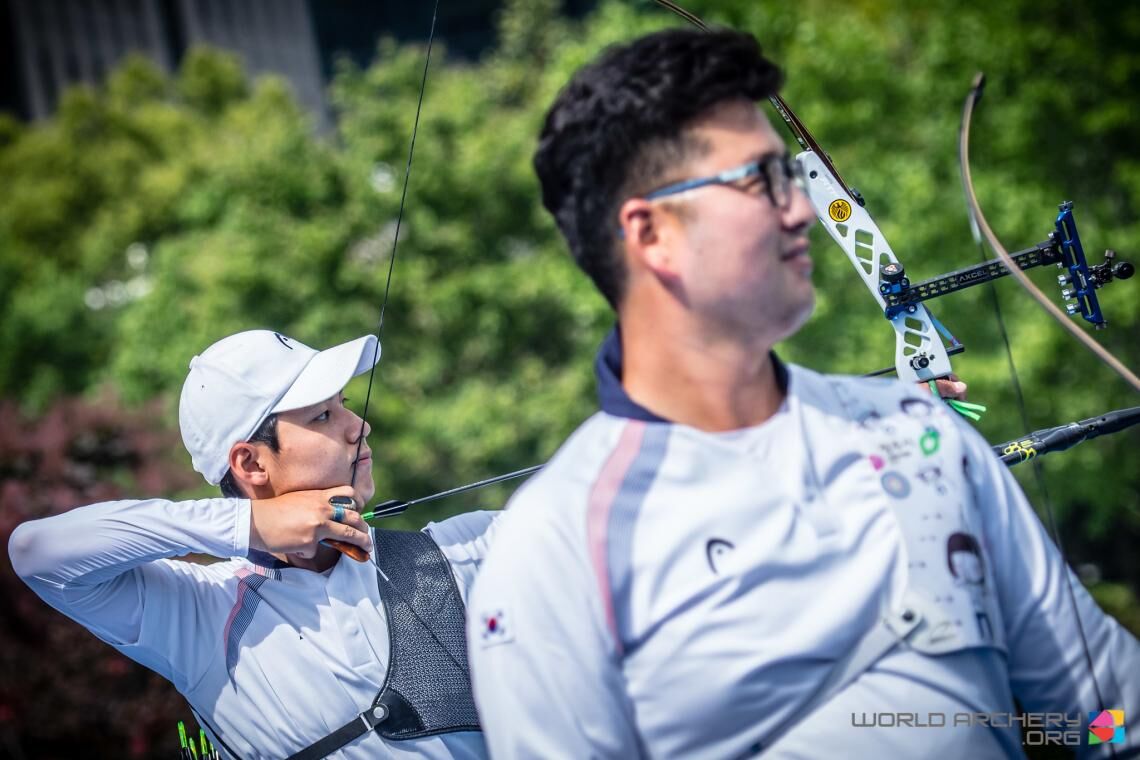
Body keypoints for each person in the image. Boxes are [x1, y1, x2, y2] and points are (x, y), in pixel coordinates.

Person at [465, 28, 1140, 758]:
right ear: (651, 232)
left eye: (792, 177)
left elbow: (1103, 717)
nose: (802, 211)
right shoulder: (554, 547)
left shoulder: (918, 433)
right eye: (762, 181)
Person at [9, 329, 496, 759]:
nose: (358, 426)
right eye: (325, 415)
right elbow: (35, 552)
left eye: (345, 404)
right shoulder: (201, 615)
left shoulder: (456, 552)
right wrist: (252, 524)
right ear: (251, 465)